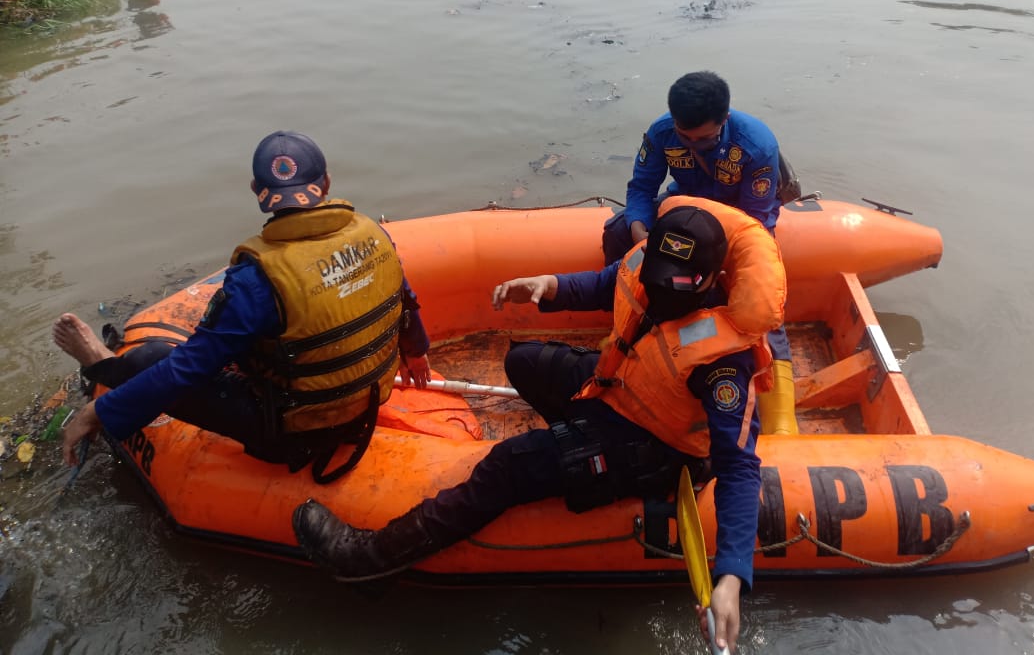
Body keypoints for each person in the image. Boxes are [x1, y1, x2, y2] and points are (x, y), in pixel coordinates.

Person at [292, 197, 786, 652]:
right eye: (656, 276)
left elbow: (739, 467)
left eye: (673, 285)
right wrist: (547, 287)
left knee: (509, 465)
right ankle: (573, 446)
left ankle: (370, 564)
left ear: (708, 280)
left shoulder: (724, 362)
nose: (659, 290)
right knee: (525, 361)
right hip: (618, 392)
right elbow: (606, 282)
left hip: (655, 448)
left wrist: (731, 577)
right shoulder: (646, 269)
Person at [55, 130, 432, 483]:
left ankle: (101, 365)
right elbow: (407, 302)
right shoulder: (374, 235)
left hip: (292, 434)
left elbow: (188, 368)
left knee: (150, 358)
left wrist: (96, 413)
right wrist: (417, 351)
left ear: (257, 190)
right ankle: (105, 367)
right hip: (362, 412)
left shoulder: (257, 279)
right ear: (327, 183)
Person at [602, 70, 796, 432]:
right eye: (684, 138)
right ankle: (624, 326)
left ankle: (780, 413)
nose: (692, 146)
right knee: (615, 231)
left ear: (724, 120)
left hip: (739, 222)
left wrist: (712, 257)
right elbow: (641, 188)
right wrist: (639, 228)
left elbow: (754, 218)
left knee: (760, 298)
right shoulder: (661, 133)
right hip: (686, 210)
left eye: (704, 141)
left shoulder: (755, 145)